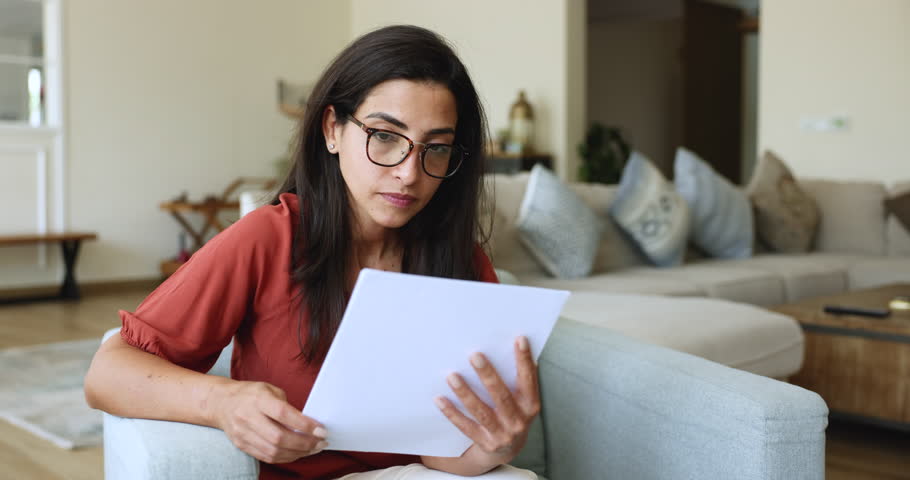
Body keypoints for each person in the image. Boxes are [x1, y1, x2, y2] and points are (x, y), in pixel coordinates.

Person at [85, 25, 540, 480]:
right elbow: (108, 374)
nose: (408, 173)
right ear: (332, 130)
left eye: (436, 148)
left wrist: (490, 448)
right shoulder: (270, 238)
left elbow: (440, 451)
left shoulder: (460, 262)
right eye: (384, 135)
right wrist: (221, 402)